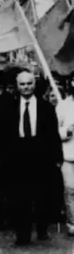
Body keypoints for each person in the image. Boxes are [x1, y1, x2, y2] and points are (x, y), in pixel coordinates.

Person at [0, 70, 63, 245]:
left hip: (40, 155)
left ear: (34, 84)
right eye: (22, 84)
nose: (26, 87)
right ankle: (22, 234)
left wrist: (56, 157)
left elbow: (53, 134)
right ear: (17, 87)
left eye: (29, 83)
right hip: (17, 156)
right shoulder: (9, 107)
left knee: (42, 195)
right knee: (19, 197)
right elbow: (3, 134)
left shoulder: (46, 107)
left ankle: (41, 229)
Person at [58, 74, 74, 236]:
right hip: (68, 155)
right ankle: (72, 222)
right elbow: (55, 129)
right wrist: (66, 131)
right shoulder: (63, 106)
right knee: (70, 189)